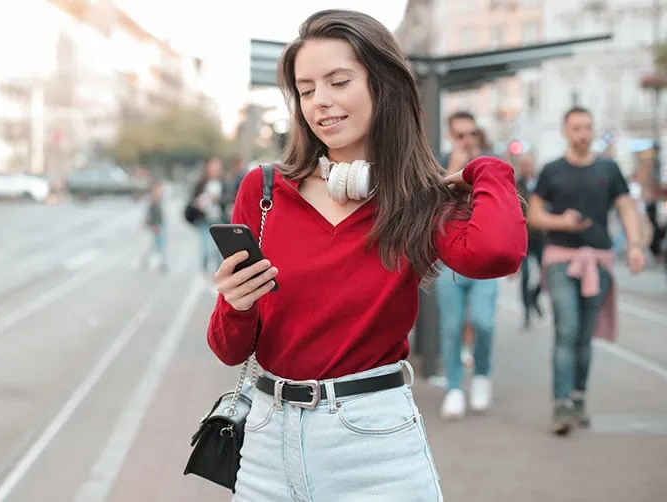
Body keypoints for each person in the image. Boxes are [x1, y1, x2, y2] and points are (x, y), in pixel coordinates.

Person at [205, 9, 526, 500]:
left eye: (338, 82)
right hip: (267, 446)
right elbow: (229, 349)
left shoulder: (419, 200)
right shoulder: (264, 192)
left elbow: (497, 254)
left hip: (375, 448)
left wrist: (487, 170)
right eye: (306, 90)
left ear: (383, 85)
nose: (320, 101)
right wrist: (235, 302)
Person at [529, 106, 646, 436]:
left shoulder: (609, 169)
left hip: (599, 261)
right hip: (560, 259)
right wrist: (561, 222)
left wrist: (635, 245)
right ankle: (561, 405)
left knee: (584, 335)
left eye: (587, 127)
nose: (583, 133)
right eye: (577, 128)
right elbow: (533, 215)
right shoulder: (552, 170)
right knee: (567, 328)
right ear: (565, 131)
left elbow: (626, 208)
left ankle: (578, 398)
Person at [435, 113, 503, 419]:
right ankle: (454, 387)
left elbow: (504, 206)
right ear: (451, 137)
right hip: (449, 259)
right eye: (460, 135)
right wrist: (453, 170)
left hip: (484, 258)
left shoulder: (489, 164)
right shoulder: (440, 163)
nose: (466, 140)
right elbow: (432, 205)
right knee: (451, 326)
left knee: (483, 321)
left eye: (471, 134)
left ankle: (482, 374)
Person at [515, 153, 545, 329]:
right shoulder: (516, 184)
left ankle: (534, 297)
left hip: (540, 237)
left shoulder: (540, 183)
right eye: (524, 164)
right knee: (525, 275)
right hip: (524, 238)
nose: (527, 167)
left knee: (545, 275)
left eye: (529, 164)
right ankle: (526, 311)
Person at [140, 180, 167, 273]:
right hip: (156, 226)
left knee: (160, 245)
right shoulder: (152, 202)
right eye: (158, 190)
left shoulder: (159, 200)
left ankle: (162, 263)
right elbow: (150, 215)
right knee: (155, 245)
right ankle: (158, 262)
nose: (160, 191)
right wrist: (153, 225)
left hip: (161, 225)